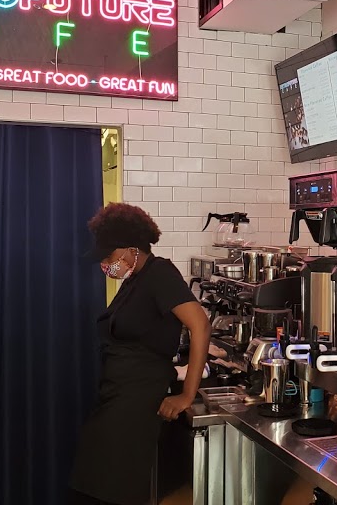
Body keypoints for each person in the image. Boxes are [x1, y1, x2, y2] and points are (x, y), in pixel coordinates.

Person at [71, 203, 210, 505]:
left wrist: (187, 395)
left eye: (108, 258)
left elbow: (200, 324)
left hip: (135, 403)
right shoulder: (135, 279)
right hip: (116, 396)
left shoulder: (160, 274)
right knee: (93, 484)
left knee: (108, 489)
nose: (105, 265)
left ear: (130, 251)